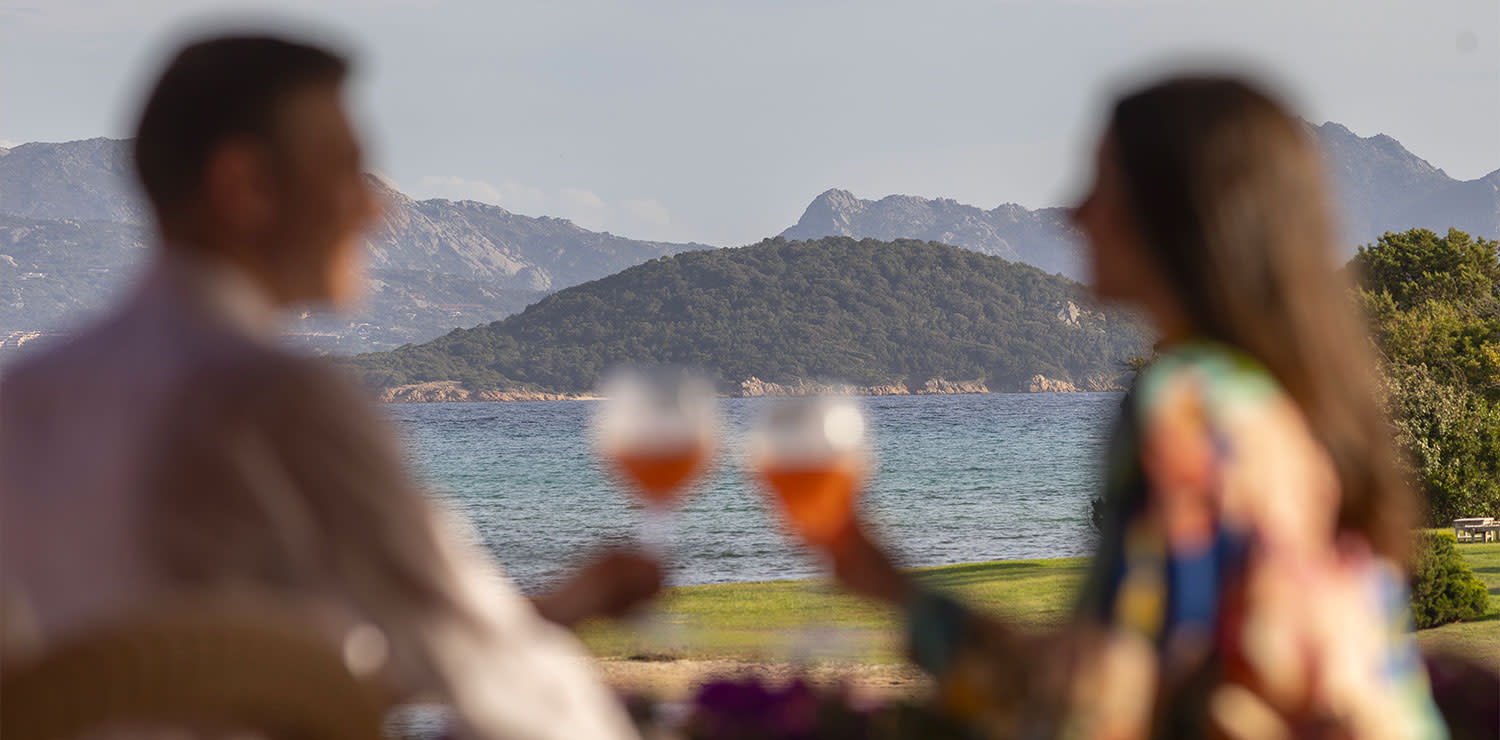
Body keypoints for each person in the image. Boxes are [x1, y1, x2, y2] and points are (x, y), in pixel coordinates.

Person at [0, 34, 654, 739]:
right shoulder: (277, 401)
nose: (378, 212)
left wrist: (559, 605)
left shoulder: (26, 395)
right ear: (244, 187)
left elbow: (194, 663)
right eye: (345, 170)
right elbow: (487, 668)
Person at [828, 76, 1449, 739]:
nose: (1074, 215)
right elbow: (1137, 670)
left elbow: (1092, 712)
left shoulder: (1189, 408)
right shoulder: (1287, 407)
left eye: (1103, 185)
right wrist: (886, 584)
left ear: (1176, 212)